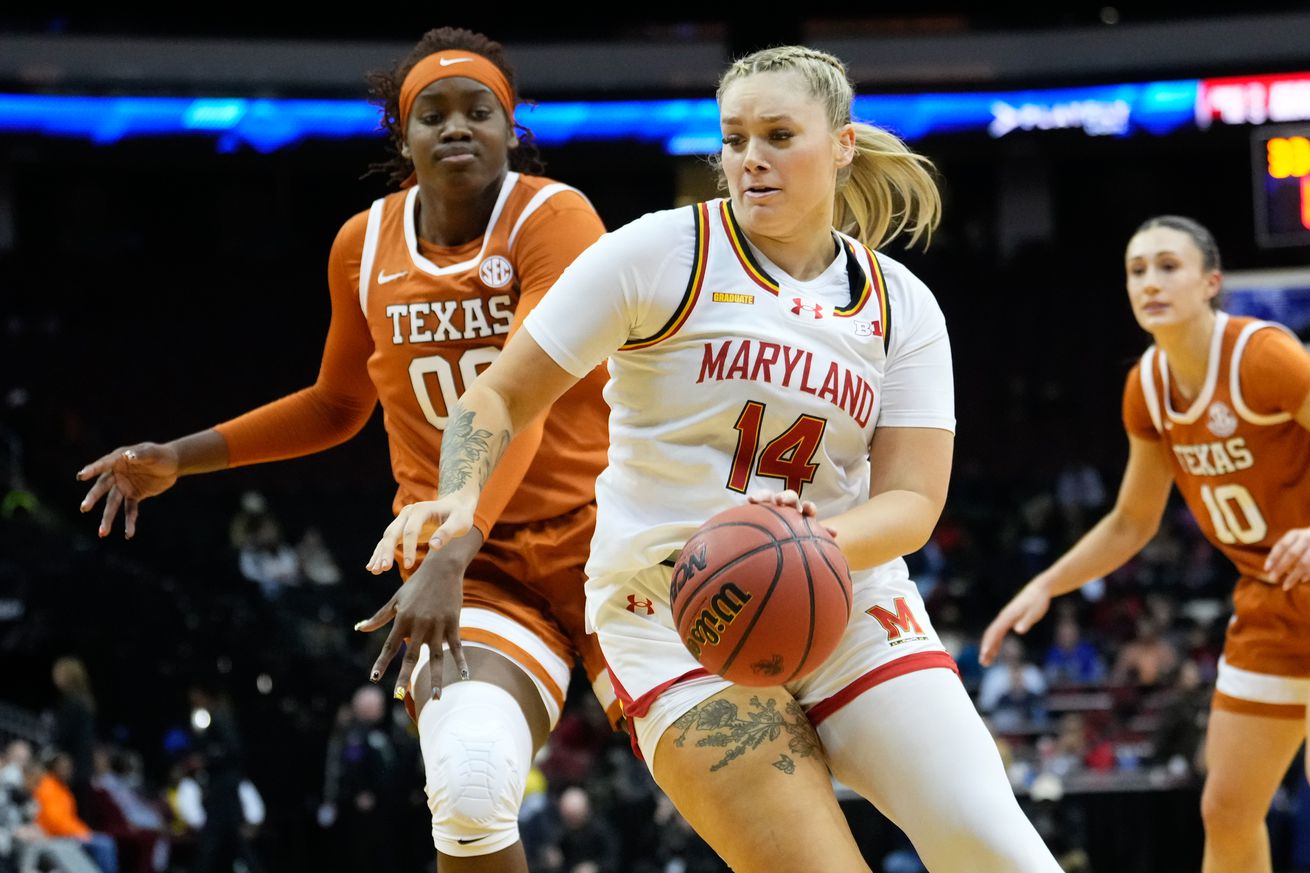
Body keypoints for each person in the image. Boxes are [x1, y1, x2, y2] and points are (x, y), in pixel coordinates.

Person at [369, 45, 1060, 873]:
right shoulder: (662, 252)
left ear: (841, 144)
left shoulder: (901, 304)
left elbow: (913, 500)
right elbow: (498, 397)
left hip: (844, 597)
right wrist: (459, 501)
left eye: (777, 135)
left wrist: (815, 544)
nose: (750, 159)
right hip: (673, 614)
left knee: (1001, 849)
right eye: (734, 139)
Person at [75, 27, 616, 873]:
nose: (457, 127)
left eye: (480, 110)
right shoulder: (362, 246)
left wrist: (451, 537)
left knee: (724, 762)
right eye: (431, 113)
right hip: (473, 571)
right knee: (470, 788)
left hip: (603, 537)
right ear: (402, 136)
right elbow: (335, 405)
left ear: (514, 128)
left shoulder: (555, 217)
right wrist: (179, 457)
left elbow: (523, 402)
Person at [981, 215, 1310, 873]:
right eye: (1136, 270)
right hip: (1272, 603)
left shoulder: (1263, 356)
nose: (1149, 282)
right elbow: (1133, 521)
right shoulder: (1149, 387)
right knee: (1226, 807)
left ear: (1211, 282)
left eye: (1168, 266)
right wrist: (1048, 582)